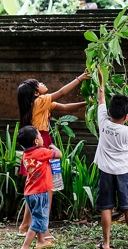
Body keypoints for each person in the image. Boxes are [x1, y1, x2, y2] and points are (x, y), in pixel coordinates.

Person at [17, 72, 89, 236]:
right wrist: (80, 78)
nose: (42, 83)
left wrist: (87, 103)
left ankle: (24, 225)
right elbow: (62, 93)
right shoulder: (41, 101)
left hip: (38, 144)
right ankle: (45, 230)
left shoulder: (38, 103)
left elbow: (64, 107)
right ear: (36, 92)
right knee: (48, 187)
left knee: (36, 187)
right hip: (43, 143)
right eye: (39, 83)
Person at [94, 70, 128, 249]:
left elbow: (101, 100)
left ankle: (106, 243)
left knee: (106, 206)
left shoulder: (103, 121)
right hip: (123, 172)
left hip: (105, 171)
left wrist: (101, 81)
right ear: (126, 117)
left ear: (109, 111)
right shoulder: (127, 131)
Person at [17, 125, 61, 249]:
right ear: (36, 141)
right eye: (40, 136)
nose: (42, 138)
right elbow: (59, 155)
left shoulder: (26, 154)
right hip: (40, 193)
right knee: (38, 220)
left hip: (29, 193)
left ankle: (41, 241)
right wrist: (53, 147)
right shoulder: (41, 152)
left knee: (37, 216)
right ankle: (25, 246)